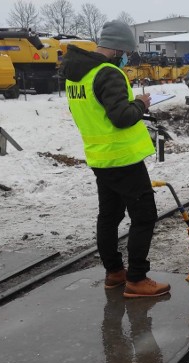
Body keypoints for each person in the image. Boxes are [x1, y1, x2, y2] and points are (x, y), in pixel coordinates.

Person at [62, 20, 170, 298]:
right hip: (123, 159)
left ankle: (114, 273)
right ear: (119, 48)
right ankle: (136, 279)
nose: (126, 59)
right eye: (126, 53)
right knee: (144, 216)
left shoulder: (76, 75)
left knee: (109, 217)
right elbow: (121, 117)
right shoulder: (108, 73)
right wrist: (140, 104)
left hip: (100, 158)